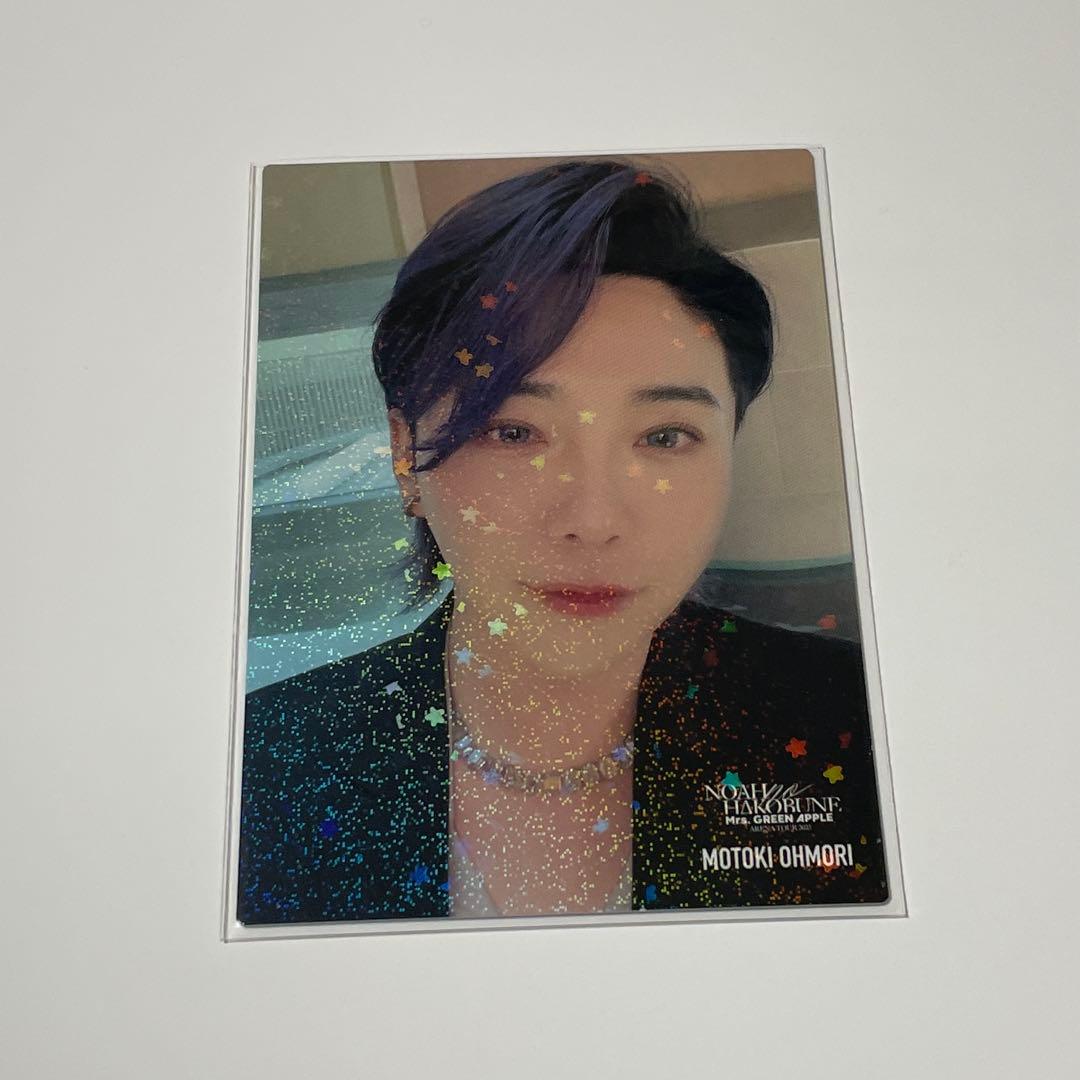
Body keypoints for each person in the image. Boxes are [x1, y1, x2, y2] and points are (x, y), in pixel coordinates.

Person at [236, 158, 890, 925]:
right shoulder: (266, 763)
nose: (593, 519)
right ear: (406, 455)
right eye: (513, 431)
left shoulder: (861, 725)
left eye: (665, 436)